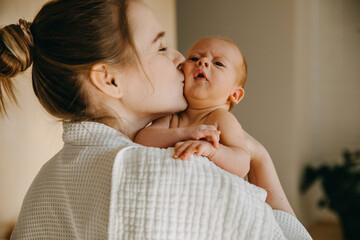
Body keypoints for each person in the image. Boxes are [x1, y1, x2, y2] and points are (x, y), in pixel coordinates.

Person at [0, 0, 311, 239]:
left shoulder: (45, 184)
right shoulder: (178, 170)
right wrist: (260, 160)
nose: (180, 59)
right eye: (161, 47)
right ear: (109, 80)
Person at [135, 37, 250, 179]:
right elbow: (142, 139)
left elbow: (243, 164)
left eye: (218, 63)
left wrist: (213, 151)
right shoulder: (173, 115)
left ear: (235, 94)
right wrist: (186, 133)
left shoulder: (222, 119)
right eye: (194, 59)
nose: (203, 62)